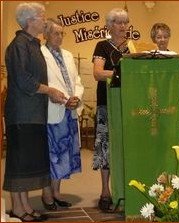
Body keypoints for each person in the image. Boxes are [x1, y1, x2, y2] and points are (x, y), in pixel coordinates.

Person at [3, 2, 66, 222]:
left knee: (27, 161)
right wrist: (49, 90)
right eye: (42, 17)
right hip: (21, 113)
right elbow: (23, 80)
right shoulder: (19, 44)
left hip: (33, 113)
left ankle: (24, 205)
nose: (45, 21)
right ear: (30, 20)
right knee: (19, 162)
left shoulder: (32, 44)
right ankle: (18, 208)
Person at [40, 18, 84, 210]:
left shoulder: (67, 54)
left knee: (65, 154)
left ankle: (57, 192)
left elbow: (77, 81)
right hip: (52, 109)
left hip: (70, 111)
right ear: (45, 35)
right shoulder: (40, 54)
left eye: (61, 33)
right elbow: (42, 84)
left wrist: (77, 97)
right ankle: (46, 194)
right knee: (52, 154)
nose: (59, 37)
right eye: (55, 33)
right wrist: (60, 98)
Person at [92, 8, 130, 211]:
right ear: (109, 25)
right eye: (117, 22)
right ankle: (105, 191)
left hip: (129, 104)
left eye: (125, 22)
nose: (122, 26)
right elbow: (98, 73)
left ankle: (125, 187)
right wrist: (122, 73)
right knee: (106, 148)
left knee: (126, 146)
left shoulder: (133, 47)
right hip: (107, 104)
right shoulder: (102, 46)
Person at [150, 22, 179, 98]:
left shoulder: (175, 57)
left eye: (165, 37)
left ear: (169, 38)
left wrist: (175, 94)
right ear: (153, 39)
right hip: (152, 100)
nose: (163, 40)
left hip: (171, 100)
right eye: (159, 37)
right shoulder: (147, 58)